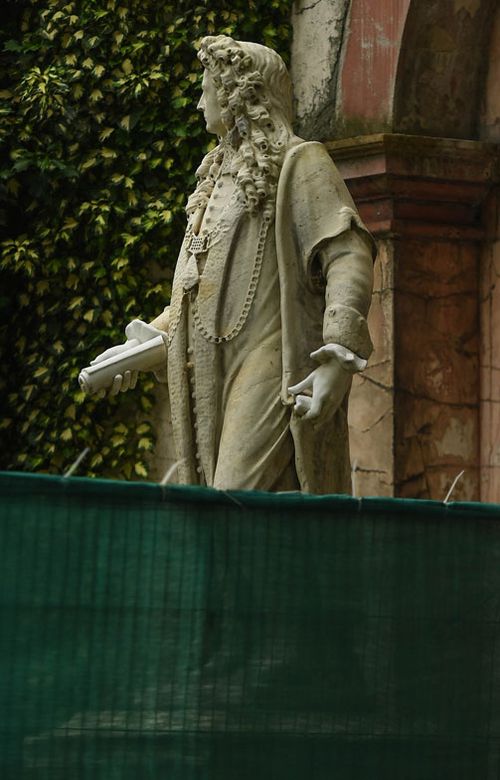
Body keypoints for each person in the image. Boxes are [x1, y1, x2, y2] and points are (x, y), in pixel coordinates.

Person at [88, 35, 375, 494]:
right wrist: (146, 345)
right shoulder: (213, 179)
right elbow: (198, 293)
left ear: (239, 94)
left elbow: (347, 252)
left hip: (272, 360)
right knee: (218, 505)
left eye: (207, 88)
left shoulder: (300, 162)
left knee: (232, 498)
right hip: (212, 367)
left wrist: (337, 356)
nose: (201, 100)